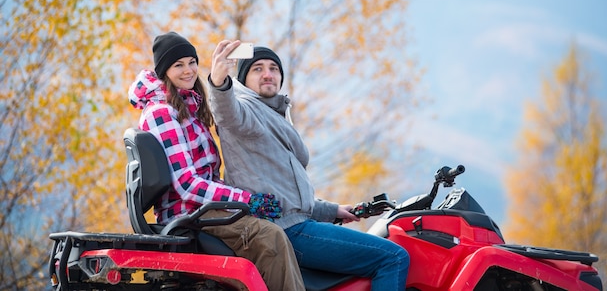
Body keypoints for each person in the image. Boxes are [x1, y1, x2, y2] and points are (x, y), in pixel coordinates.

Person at [208, 40, 411, 291]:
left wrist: (331, 210)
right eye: (257, 69)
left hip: (296, 224)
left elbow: (287, 196)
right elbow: (226, 112)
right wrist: (219, 83)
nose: (268, 74)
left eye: (273, 68)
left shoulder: (272, 114)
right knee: (393, 257)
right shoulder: (246, 110)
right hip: (288, 232)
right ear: (243, 79)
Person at [128, 32, 305, 291]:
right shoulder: (162, 112)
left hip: (203, 208)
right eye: (178, 65)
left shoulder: (188, 106)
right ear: (164, 70)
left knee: (268, 229)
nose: (188, 71)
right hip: (187, 212)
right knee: (270, 237)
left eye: (192, 62)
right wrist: (246, 200)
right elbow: (188, 184)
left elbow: (207, 177)